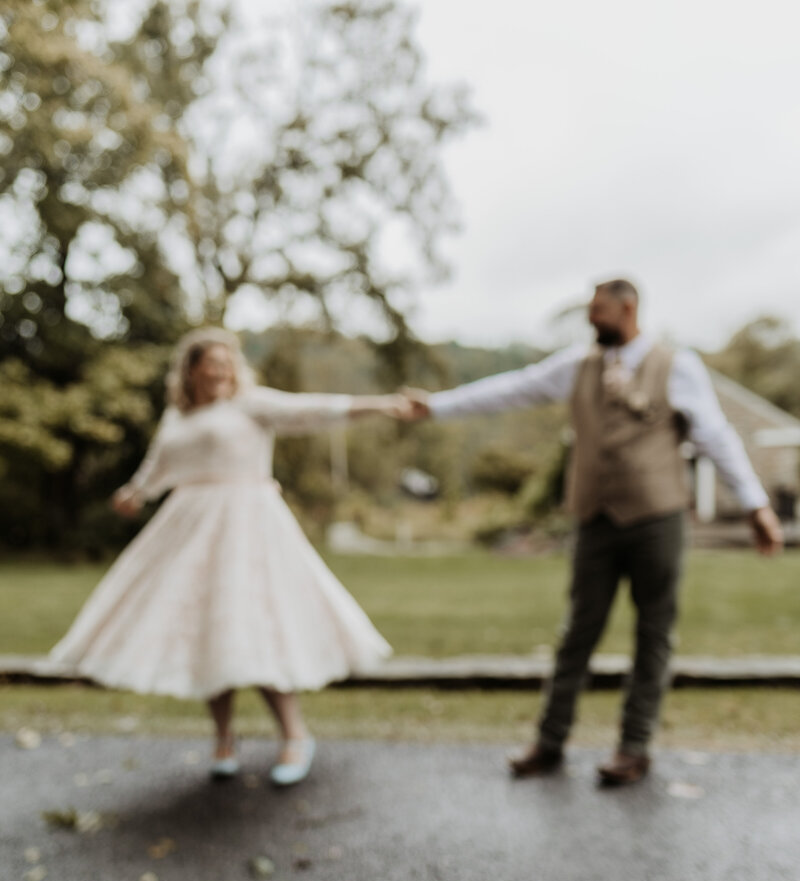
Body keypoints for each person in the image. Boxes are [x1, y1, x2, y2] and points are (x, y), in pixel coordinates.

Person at [401, 279, 783, 785]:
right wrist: (437, 407)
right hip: (593, 519)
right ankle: (550, 740)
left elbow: (716, 435)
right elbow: (511, 389)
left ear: (628, 307)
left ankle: (634, 746)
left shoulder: (677, 366)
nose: (590, 318)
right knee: (577, 632)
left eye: (599, 310)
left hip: (657, 519)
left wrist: (757, 505)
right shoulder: (575, 366)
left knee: (654, 633)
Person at [50, 328, 407, 786]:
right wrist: (135, 493)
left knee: (254, 624)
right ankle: (223, 739)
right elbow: (157, 467)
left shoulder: (250, 403)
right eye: (211, 363)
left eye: (226, 363)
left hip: (248, 525)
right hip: (190, 526)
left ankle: (295, 736)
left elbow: (315, 409)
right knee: (209, 627)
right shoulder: (179, 415)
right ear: (192, 369)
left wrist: (380, 405)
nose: (220, 371)